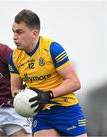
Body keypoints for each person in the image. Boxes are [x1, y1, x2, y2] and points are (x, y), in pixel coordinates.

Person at [9, 9, 87, 137]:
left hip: (66, 108)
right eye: (13, 32)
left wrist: (48, 95)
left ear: (34, 33)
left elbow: (74, 82)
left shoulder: (52, 48)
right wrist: (20, 97)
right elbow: (15, 89)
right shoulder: (14, 57)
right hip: (41, 114)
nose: (14, 37)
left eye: (19, 32)